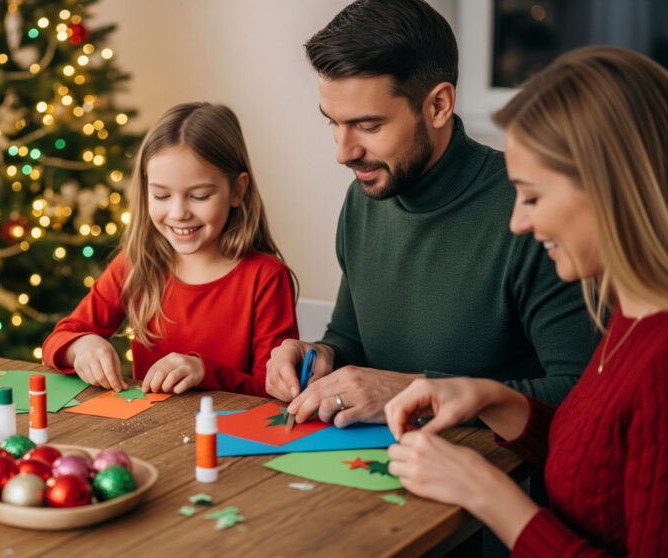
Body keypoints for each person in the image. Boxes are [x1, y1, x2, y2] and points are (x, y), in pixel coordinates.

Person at [385, 46, 668, 555]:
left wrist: (488, 494)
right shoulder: (632, 316)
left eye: (532, 196)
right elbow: (600, 464)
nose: (517, 222)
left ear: (612, 190)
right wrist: (497, 400)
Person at [266, 0, 596, 427]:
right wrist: (320, 356)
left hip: (494, 480)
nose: (343, 152)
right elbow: (351, 339)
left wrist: (414, 391)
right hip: (382, 474)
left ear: (438, 105)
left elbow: (584, 395)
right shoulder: (363, 199)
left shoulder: (532, 213)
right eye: (333, 122)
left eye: (368, 126)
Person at [43, 102, 298, 396]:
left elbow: (276, 392)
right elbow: (58, 340)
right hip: (153, 436)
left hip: (231, 438)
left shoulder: (265, 277)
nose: (178, 213)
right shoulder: (135, 263)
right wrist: (81, 346)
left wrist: (203, 371)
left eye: (199, 196)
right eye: (161, 195)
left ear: (237, 191)